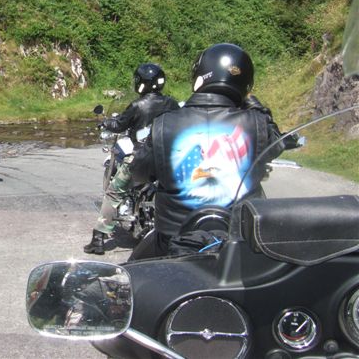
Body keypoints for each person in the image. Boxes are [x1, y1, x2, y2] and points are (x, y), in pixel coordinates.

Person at [128, 43, 285, 259]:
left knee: (132, 269)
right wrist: (255, 105)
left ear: (200, 76)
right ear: (246, 84)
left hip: (174, 241)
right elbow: (278, 144)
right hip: (239, 242)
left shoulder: (164, 123)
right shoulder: (257, 123)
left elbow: (138, 172)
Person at [83, 63, 179, 255]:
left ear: (141, 83)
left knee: (114, 193)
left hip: (142, 158)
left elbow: (119, 125)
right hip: (167, 159)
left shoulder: (137, 105)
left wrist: (105, 123)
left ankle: (98, 238)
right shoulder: (171, 103)